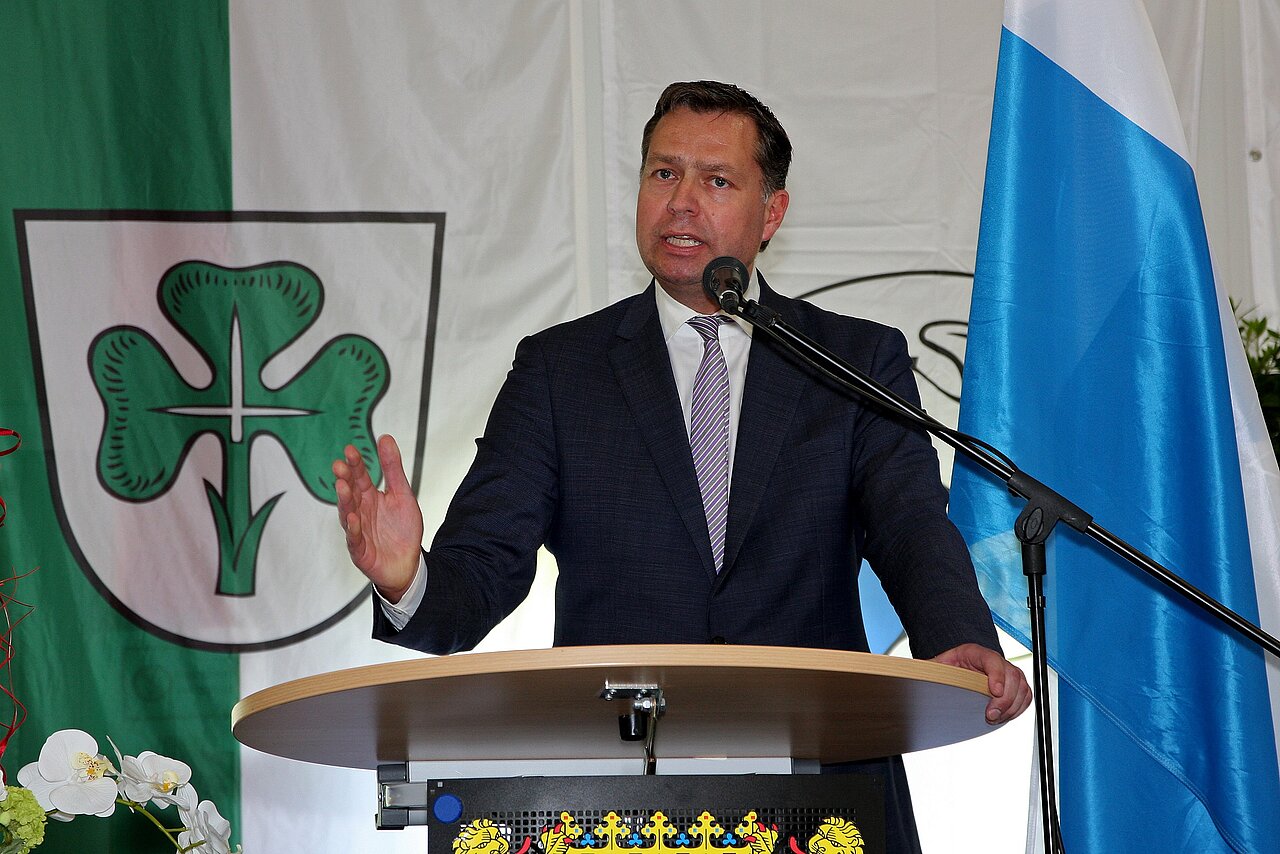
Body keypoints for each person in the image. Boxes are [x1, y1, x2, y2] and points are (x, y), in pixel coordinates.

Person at [334, 80, 1031, 853]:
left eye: (717, 180)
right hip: (614, 803)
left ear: (772, 213)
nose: (681, 202)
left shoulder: (853, 361)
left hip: (823, 789)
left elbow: (908, 525)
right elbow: (484, 568)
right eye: (663, 173)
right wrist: (407, 578)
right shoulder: (561, 372)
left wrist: (956, 635)